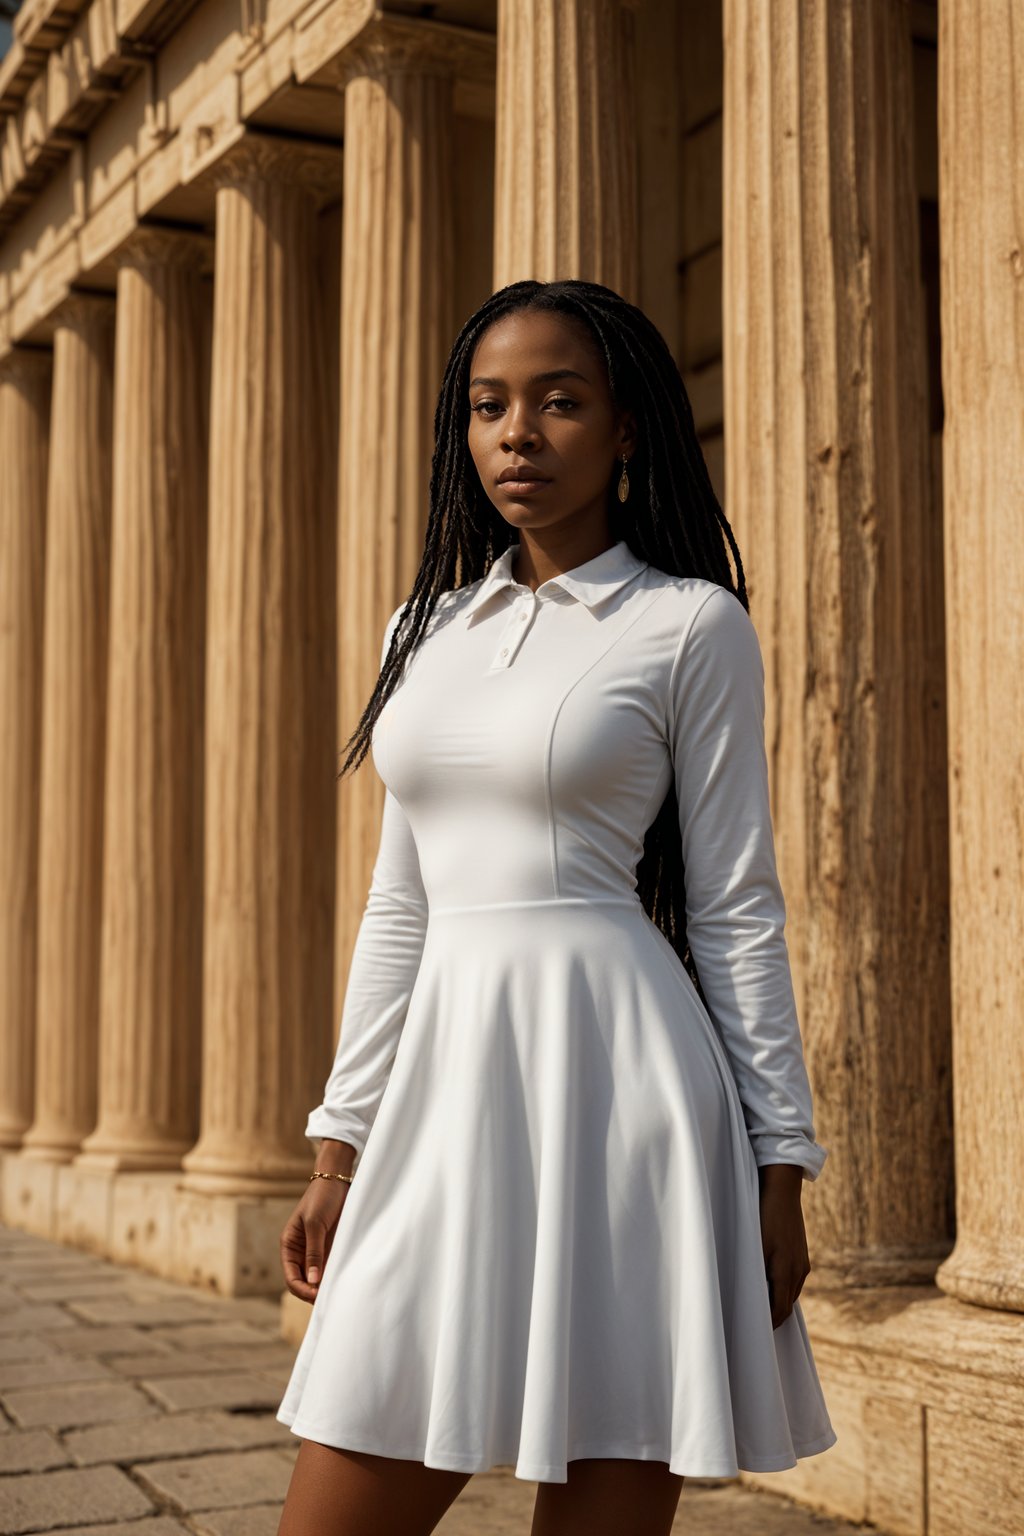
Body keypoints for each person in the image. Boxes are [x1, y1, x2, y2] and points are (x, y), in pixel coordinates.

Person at [275, 277, 836, 1536]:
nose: (516, 433)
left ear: (628, 429)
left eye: (558, 402)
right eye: (489, 406)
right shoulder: (419, 631)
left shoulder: (690, 625)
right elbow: (399, 908)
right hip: (442, 1097)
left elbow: (739, 904)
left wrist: (779, 1165)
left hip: (624, 1090)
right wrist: (336, 1145)